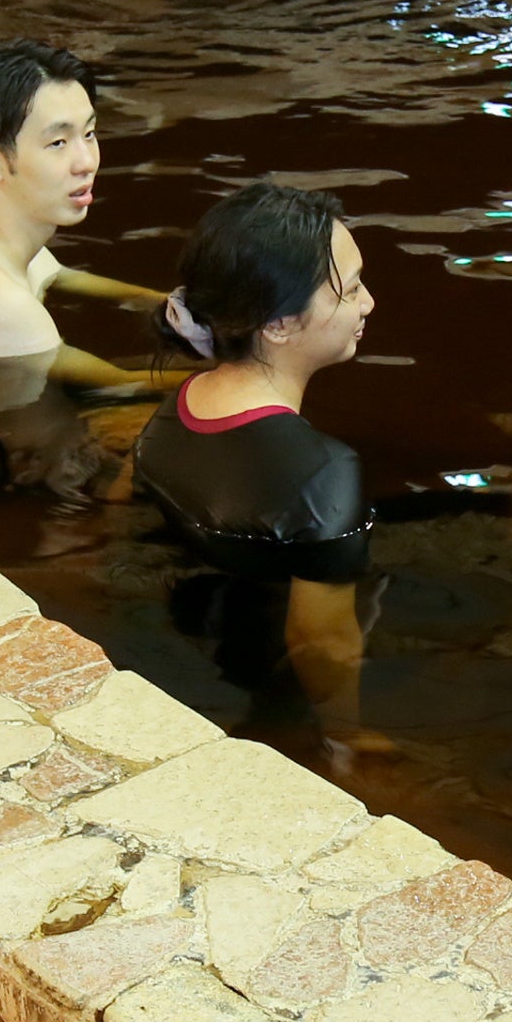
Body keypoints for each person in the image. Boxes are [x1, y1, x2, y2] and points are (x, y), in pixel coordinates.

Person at [134, 183, 381, 755]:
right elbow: (323, 643)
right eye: (350, 290)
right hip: (268, 683)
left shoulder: (180, 407)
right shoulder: (324, 474)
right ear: (279, 325)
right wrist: (348, 738)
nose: (367, 303)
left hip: (197, 638)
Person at [0, 39, 177, 493]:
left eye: (90, 133)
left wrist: (160, 301)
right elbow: (123, 384)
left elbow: (61, 275)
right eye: (58, 142)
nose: (86, 162)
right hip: (0, 448)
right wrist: (246, 375)